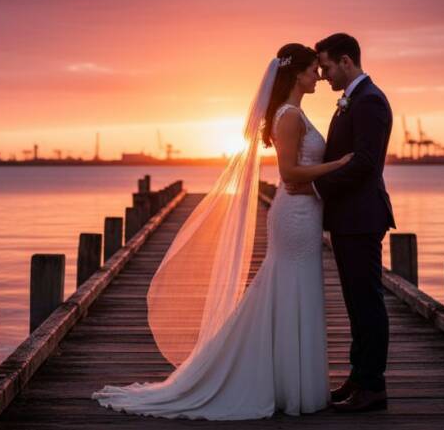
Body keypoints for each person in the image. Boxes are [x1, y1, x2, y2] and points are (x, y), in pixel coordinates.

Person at [92, 43, 352, 419]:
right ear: (297, 74)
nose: (319, 77)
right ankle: (287, 385)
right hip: (295, 216)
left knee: (296, 290)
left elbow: (298, 173)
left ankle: (291, 384)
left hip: (304, 213)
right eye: (314, 70)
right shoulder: (289, 116)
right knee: (291, 288)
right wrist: (337, 166)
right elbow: (289, 173)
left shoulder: (294, 113)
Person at [287, 33, 396, 412]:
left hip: (362, 217)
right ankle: (359, 377)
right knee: (356, 302)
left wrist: (314, 186)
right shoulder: (354, 100)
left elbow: (364, 162)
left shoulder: (370, 101)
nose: (323, 75)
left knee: (367, 302)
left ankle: (373, 386)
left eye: (327, 66)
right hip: (349, 217)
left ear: (346, 61)